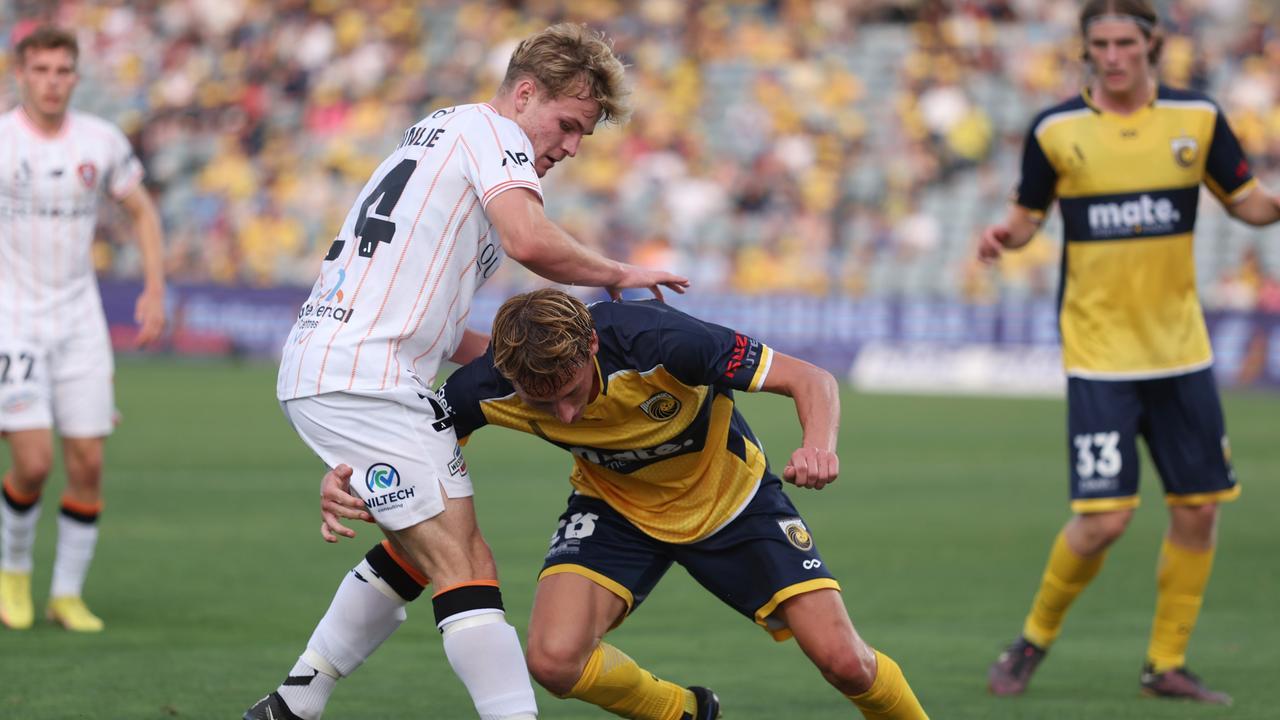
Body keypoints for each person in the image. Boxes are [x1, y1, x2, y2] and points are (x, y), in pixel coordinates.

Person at [244, 23, 688, 720]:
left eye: (585, 137)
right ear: (524, 94)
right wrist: (618, 273)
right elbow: (530, 241)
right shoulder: (496, 137)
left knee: (421, 554)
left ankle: (294, 704)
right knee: (468, 564)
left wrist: (556, 373)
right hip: (366, 375)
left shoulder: (444, 134)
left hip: (348, 366)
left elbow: (444, 328)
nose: (570, 148)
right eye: (569, 125)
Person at [314, 288, 930, 720]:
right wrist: (352, 481)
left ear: (590, 347)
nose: (563, 415)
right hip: (614, 509)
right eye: (541, 404)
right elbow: (409, 458)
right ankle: (685, 713)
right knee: (554, 661)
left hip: (734, 501)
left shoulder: (662, 340)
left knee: (845, 663)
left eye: (571, 393)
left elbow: (811, 379)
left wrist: (818, 446)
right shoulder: (487, 384)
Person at [979, 0, 1280, 705]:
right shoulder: (1055, 130)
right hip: (1101, 353)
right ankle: (1031, 641)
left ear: (1151, 43)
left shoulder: (1198, 120)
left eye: (1124, 43)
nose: (1112, 56)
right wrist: (1004, 238)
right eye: (1099, 45)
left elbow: (1248, 203)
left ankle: (1164, 664)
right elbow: (1026, 218)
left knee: (1200, 509)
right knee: (1105, 520)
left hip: (1181, 349)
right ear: (1085, 50)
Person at [0, 25, 167, 633]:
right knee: (35, 462)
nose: (51, 82)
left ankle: (65, 594)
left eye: (62, 70)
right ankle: (13, 570)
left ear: (75, 76)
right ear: (20, 74)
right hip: (12, 321)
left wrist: (154, 287)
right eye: (40, 70)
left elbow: (142, 210)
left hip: (80, 320)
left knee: (89, 464)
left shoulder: (100, 141)